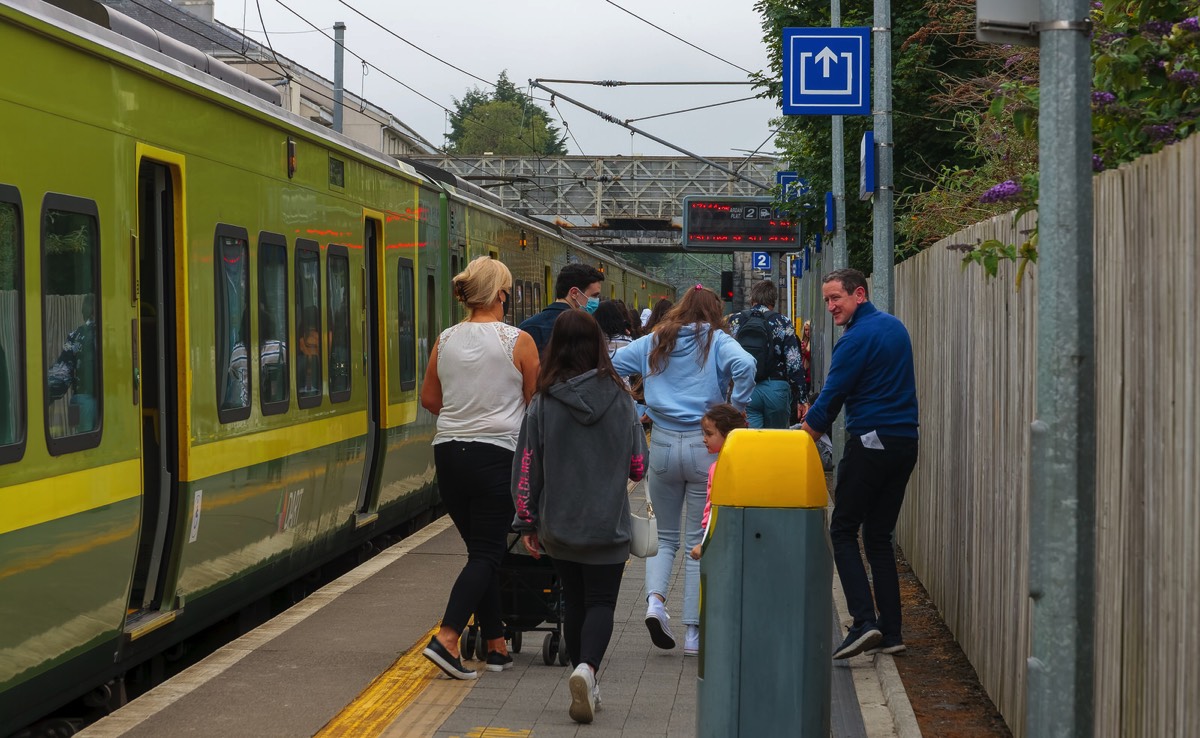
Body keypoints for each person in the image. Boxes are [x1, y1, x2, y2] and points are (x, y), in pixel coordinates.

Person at [511, 310, 648, 724]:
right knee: (602, 602)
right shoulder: (622, 399)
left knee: (574, 602)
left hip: (560, 525)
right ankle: (588, 670)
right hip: (608, 525)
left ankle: (584, 674)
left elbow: (526, 467)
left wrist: (526, 520)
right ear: (599, 347)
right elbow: (638, 466)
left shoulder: (543, 402)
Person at [611, 285, 756, 656]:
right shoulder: (718, 341)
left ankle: (655, 604)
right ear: (714, 311)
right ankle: (693, 632)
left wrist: (635, 407)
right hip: (704, 444)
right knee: (699, 537)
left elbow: (610, 366)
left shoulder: (656, 339)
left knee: (665, 536)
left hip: (660, 444)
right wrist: (735, 410)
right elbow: (747, 366)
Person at [419, 256, 540, 680]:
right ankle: (448, 638)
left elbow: (430, 400)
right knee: (488, 553)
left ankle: (496, 645)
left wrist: (464, 407)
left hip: (449, 454)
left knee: (481, 553)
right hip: (496, 456)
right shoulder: (518, 341)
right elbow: (536, 403)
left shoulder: (445, 338)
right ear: (502, 294)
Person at [801, 268, 919, 660]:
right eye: (827, 300)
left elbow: (832, 398)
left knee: (842, 530)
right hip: (905, 442)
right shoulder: (895, 327)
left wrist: (802, 437)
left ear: (860, 294)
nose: (832, 306)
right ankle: (892, 631)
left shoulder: (854, 339)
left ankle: (864, 622)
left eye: (837, 298)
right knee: (879, 536)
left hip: (870, 442)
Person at [727, 280, 805, 429]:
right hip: (776, 388)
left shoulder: (735, 320)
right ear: (773, 301)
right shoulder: (783, 322)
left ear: (752, 299)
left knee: (751, 443)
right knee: (776, 443)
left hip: (746, 388)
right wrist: (801, 397)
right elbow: (793, 361)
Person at [688, 403, 746, 561]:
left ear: (728, 435)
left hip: (716, 534)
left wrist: (706, 541)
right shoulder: (745, 463)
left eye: (709, 434)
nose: (704, 439)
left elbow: (713, 506)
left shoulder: (719, 468)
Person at [518, 263, 604, 352]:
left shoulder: (527, 327)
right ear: (574, 293)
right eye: (594, 296)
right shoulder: (586, 329)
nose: (596, 301)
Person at [46, 294, 98, 432]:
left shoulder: (75, 335)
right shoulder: (114, 333)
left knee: (79, 446)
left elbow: (62, 374)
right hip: (107, 402)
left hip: (78, 401)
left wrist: (43, 393)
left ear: (84, 312)